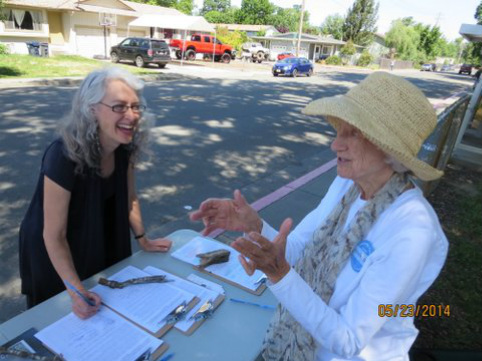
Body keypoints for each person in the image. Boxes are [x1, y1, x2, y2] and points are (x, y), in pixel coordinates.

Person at [190, 72, 448, 361]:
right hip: (296, 337)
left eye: (354, 133)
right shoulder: (348, 183)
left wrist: (278, 273)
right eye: (339, 130)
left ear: (389, 150)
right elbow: (302, 247)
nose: (335, 145)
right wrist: (255, 225)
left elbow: (350, 340)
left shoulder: (412, 229)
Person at [19, 67, 172, 318]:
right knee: (57, 317)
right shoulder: (63, 155)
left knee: (106, 306)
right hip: (53, 246)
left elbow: (130, 198)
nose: (131, 115)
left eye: (135, 106)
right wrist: (76, 291)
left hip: (97, 233)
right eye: (119, 107)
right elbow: (54, 234)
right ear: (91, 109)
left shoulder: (124, 148)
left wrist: (143, 238)